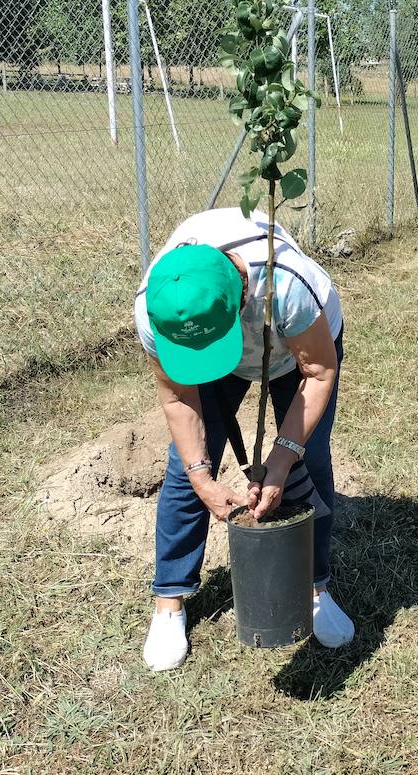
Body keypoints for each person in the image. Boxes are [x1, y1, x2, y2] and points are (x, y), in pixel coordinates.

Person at [134, 207, 353, 671]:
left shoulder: (289, 285)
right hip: (226, 349)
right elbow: (178, 401)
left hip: (300, 353)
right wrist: (201, 476)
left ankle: (316, 587)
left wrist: (281, 458)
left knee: (308, 460)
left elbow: (319, 370)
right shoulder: (156, 309)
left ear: (242, 296)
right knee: (188, 462)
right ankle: (169, 601)